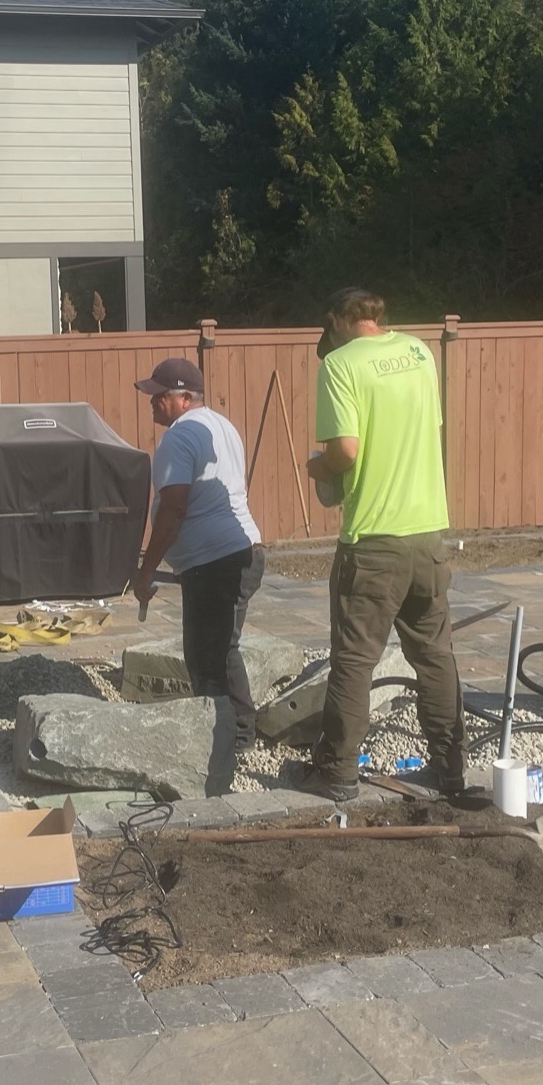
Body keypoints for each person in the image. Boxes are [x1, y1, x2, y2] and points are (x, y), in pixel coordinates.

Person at [296, 287, 465, 801]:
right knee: (435, 657)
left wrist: (317, 467)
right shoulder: (420, 352)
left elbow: (345, 450)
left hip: (372, 541)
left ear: (336, 322)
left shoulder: (341, 364)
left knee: (354, 659)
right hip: (429, 534)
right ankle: (450, 769)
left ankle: (339, 773)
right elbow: (425, 430)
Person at [128, 358, 266, 748]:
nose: (152, 401)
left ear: (186, 397)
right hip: (245, 551)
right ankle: (238, 733)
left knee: (206, 660)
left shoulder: (178, 437)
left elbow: (173, 509)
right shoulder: (223, 427)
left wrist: (146, 570)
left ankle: (223, 744)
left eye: (160, 395)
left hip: (214, 564)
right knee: (224, 650)